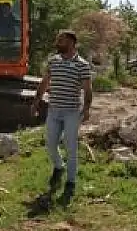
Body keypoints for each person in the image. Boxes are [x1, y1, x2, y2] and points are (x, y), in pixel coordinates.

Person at [32, 29, 93, 205]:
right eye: (58, 40)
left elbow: (88, 89)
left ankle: (71, 182)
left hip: (72, 112)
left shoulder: (82, 65)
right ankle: (59, 167)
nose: (57, 43)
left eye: (61, 40)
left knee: (70, 146)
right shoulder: (53, 62)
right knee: (50, 144)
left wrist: (87, 109)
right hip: (54, 110)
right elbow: (45, 83)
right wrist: (36, 101)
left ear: (72, 43)